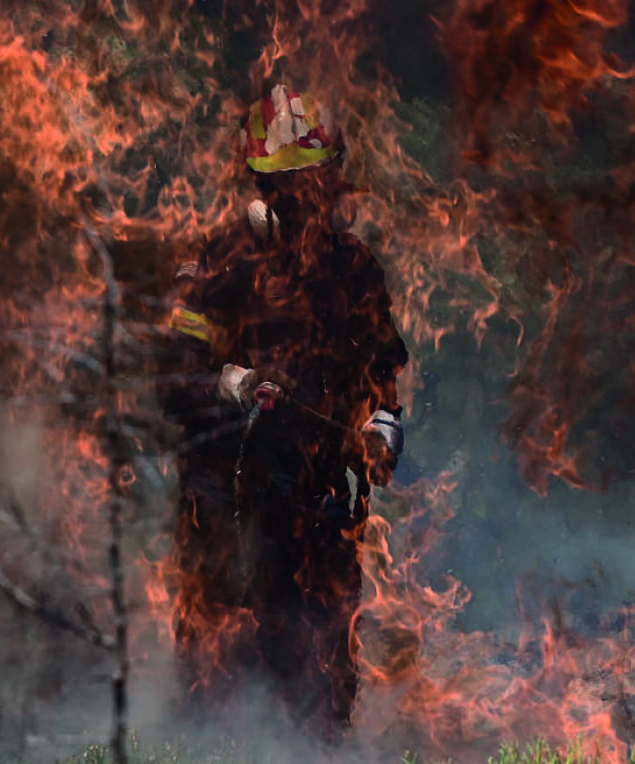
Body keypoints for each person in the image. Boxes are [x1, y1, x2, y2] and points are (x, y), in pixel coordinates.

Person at [157, 84, 409, 736]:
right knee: (223, 669)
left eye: (320, 178)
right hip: (230, 511)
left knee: (324, 679)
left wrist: (383, 427)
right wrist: (239, 384)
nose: (311, 197)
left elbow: (383, 370)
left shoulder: (352, 268)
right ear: (264, 186)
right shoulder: (223, 261)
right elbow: (173, 376)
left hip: (321, 510)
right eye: (295, 184)